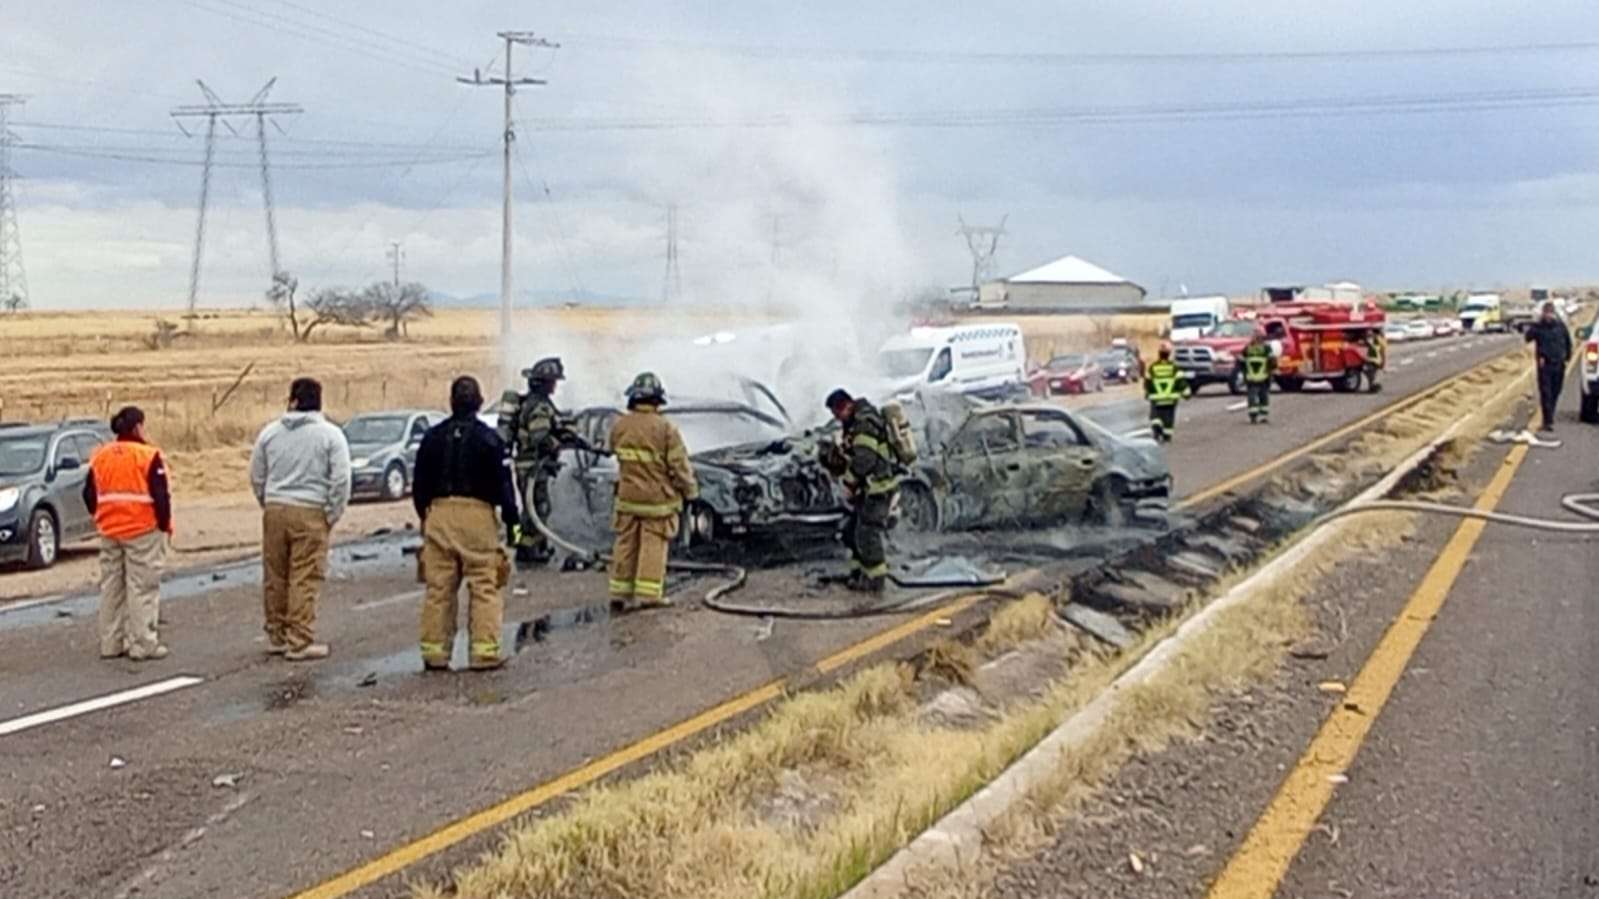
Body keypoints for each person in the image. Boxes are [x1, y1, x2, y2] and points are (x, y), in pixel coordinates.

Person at [412, 376, 521, 671]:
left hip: (439, 514)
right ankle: (484, 654)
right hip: (478, 517)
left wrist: (426, 517)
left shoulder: (432, 438)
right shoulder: (490, 440)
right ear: (480, 403)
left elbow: (419, 485)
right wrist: (515, 528)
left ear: (451, 402)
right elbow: (506, 490)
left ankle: (435, 654)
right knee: (485, 585)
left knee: (438, 589)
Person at [249, 378, 352, 661]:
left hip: (275, 508)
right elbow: (341, 480)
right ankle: (300, 640)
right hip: (311, 509)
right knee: (304, 577)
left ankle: (277, 634)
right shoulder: (330, 435)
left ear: (291, 400)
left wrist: (267, 501)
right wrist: (331, 514)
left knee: (275, 575)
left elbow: (256, 473)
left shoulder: (269, 433)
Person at [84, 406, 173, 661]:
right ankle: (143, 642)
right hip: (142, 530)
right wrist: (164, 525)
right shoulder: (148, 455)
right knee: (142, 587)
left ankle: (111, 643)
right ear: (137, 427)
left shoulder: (100, 456)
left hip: (110, 530)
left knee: (112, 587)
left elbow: (89, 494)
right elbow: (161, 496)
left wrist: (102, 515)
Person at [607, 372, 698, 610]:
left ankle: (619, 592)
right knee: (652, 545)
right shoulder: (665, 428)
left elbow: (612, 450)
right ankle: (648, 595)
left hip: (627, 498)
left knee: (625, 543)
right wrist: (690, 491)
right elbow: (679, 466)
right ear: (657, 400)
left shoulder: (620, 425)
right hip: (656, 501)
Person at [496, 357, 578, 566]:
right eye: (553, 381)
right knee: (537, 509)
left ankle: (529, 545)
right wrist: (556, 444)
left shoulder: (533, 403)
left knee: (529, 508)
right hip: (533, 466)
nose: (555, 386)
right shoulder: (539, 406)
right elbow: (539, 436)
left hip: (527, 465)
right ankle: (528, 549)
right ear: (545, 383)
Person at [822, 388, 899, 593]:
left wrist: (849, 482)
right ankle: (859, 574)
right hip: (867, 490)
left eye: (837, 414)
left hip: (878, 488)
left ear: (846, 405)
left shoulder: (864, 423)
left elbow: (865, 459)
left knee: (867, 533)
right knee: (850, 532)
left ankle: (875, 581)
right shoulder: (853, 422)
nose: (837, 418)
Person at [1524, 301, 1573, 432]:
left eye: (1551, 312)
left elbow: (1568, 341)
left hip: (1559, 363)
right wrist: (1534, 323)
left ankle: (1550, 413)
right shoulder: (1539, 327)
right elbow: (1527, 337)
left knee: (1556, 391)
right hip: (1544, 364)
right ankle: (1548, 420)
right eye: (1546, 313)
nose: (1549, 315)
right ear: (1543, 313)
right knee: (1546, 392)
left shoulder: (1560, 326)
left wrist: (1568, 356)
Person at [1145, 343, 1190, 443]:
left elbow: (1147, 382)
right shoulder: (1174, 368)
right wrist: (1186, 394)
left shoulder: (1152, 367)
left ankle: (1157, 426)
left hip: (1156, 399)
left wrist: (1148, 392)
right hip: (1170, 399)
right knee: (1168, 418)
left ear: (1159, 354)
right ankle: (1167, 435)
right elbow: (1181, 383)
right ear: (1169, 354)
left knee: (1155, 416)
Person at [1241, 332, 1275, 424]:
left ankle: (1253, 416)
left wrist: (1245, 373)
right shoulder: (1266, 349)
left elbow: (1240, 361)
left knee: (1252, 396)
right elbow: (1273, 362)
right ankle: (1263, 415)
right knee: (1263, 396)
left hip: (1251, 378)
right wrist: (1270, 370)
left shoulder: (1248, 349)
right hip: (1264, 377)